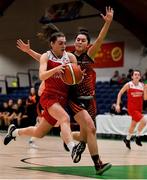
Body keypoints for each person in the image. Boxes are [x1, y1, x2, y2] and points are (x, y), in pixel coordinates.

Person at [16, 6, 113, 175]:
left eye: (83, 40)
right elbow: (46, 59)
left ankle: (69, 138)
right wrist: (43, 81)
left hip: (91, 99)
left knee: (87, 133)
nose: (79, 42)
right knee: (90, 128)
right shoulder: (68, 56)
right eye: (77, 40)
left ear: (87, 44)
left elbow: (99, 40)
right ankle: (98, 164)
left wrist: (108, 23)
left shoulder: (87, 56)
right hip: (75, 98)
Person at [4, 27, 85, 164]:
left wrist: (80, 77)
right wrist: (55, 70)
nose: (64, 46)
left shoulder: (70, 57)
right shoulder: (46, 56)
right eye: (60, 43)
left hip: (62, 98)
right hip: (49, 97)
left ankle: (13, 132)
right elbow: (42, 75)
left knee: (39, 133)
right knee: (64, 118)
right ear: (52, 44)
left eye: (65, 43)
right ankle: (73, 149)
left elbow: (74, 79)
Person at [116, 70, 147, 149]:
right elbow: (120, 93)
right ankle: (137, 137)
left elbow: (145, 98)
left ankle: (127, 139)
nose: (137, 76)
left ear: (140, 77)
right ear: (132, 76)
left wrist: (146, 89)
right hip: (132, 109)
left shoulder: (142, 85)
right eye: (135, 74)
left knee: (133, 125)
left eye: (138, 75)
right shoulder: (129, 84)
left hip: (139, 108)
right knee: (144, 121)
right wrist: (117, 104)